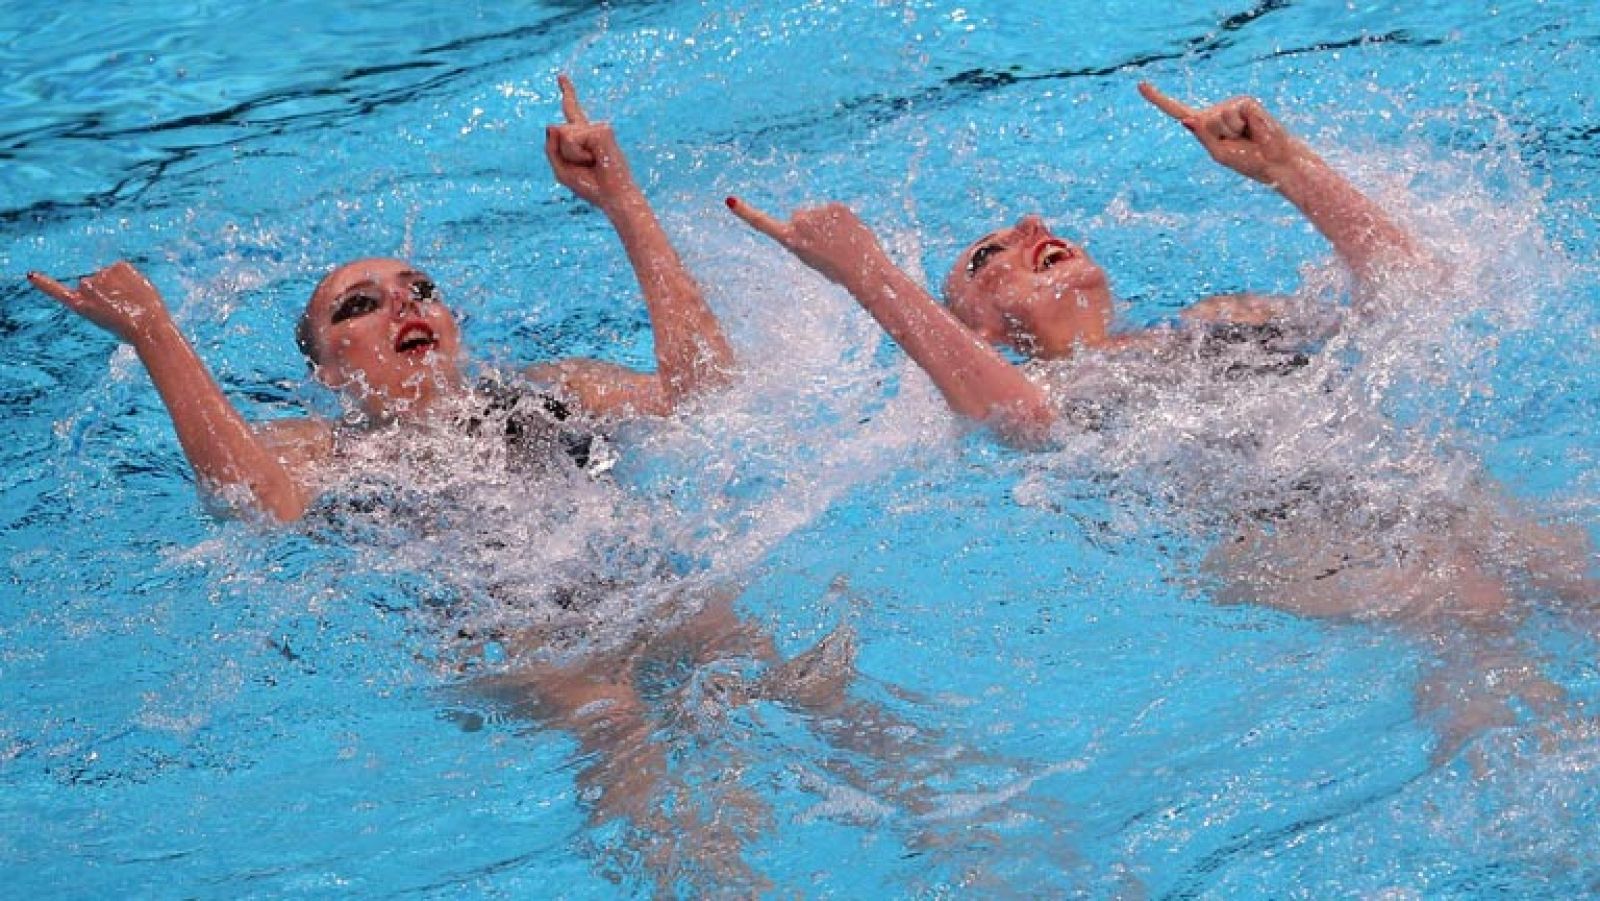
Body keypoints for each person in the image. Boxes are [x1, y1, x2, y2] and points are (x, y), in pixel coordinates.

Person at [23, 75, 887, 889]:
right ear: (326, 370)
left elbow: (707, 394)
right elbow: (255, 504)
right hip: (515, 640)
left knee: (776, 663)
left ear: (452, 323)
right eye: (359, 306)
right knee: (615, 717)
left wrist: (623, 202)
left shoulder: (557, 387)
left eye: (419, 288)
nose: (405, 305)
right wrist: (155, 336)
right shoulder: (324, 448)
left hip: (644, 585)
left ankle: (945, 817)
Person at [729, 81, 1595, 763]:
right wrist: (868, 276)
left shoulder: (1218, 316)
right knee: (1471, 606)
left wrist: (1291, 169)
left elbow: (1418, 296)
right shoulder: (1054, 393)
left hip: (1418, 486)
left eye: (1027, 224)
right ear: (979, 330)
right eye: (989, 254)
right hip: (1278, 541)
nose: (1034, 226)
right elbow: (1011, 413)